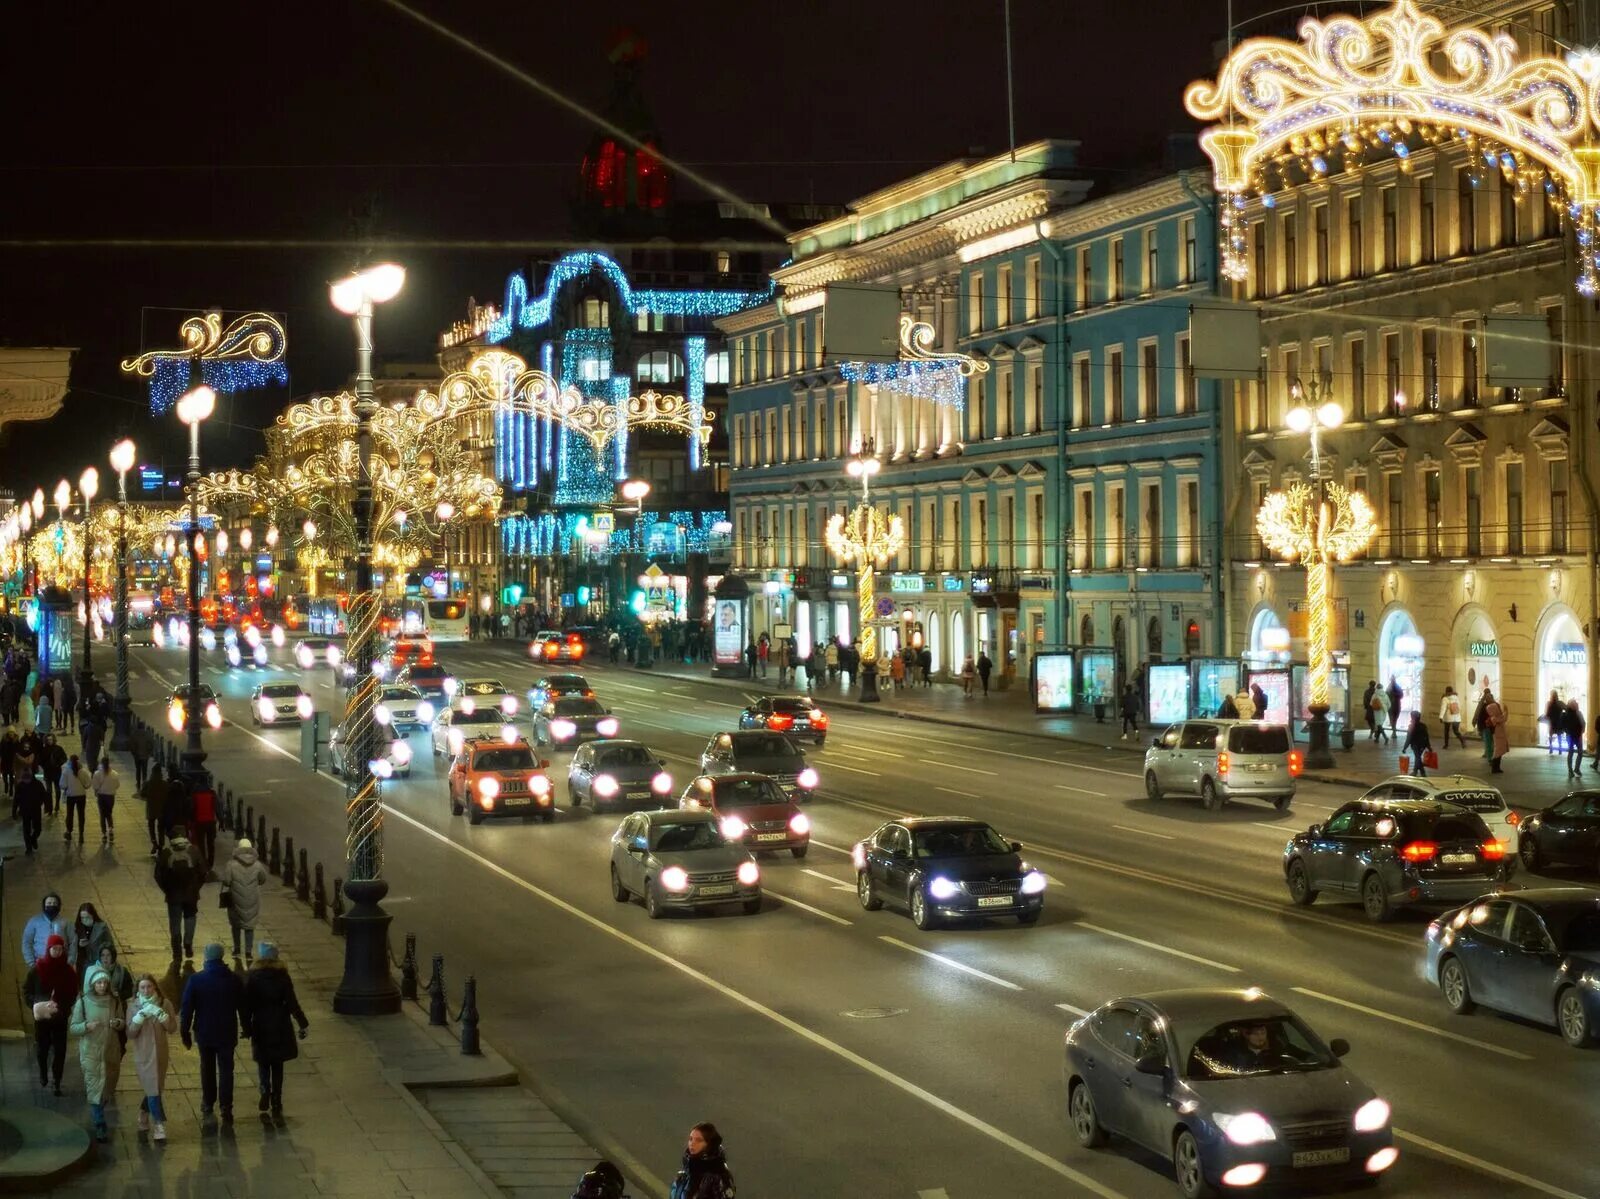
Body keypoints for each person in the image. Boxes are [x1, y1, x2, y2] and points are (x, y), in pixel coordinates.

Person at [241, 941, 309, 1120]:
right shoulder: (282, 976)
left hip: (260, 1024)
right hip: (280, 1024)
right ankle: (277, 1099)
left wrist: (246, 1028)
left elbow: (246, 1006)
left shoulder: (253, 976)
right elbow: (292, 1003)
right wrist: (303, 1022)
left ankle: (264, 1089)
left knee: (263, 1062)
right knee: (277, 1064)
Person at [180, 943, 244, 1130]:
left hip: (205, 1032)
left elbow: (187, 1008)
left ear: (206, 958)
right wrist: (247, 1027)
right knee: (226, 1070)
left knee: (207, 1068)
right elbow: (243, 1006)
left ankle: (208, 1101)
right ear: (222, 957)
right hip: (226, 1032)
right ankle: (226, 1106)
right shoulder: (233, 980)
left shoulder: (196, 980)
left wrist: (185, 1032)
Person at [68, 965, 124, 1142]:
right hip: (91, 1053)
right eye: (98, 982)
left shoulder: (114, 1002)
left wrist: (117, 1023)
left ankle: (98, 1112)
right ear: (92, 984)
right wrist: (86, 1026)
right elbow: (73, 1027)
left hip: (110, 1051)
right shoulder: (83, 1003)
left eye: (104, 982)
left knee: (107, 1088)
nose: (102, 985)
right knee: (94, 1089)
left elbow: (123, 1022)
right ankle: (100, 1124)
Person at [25, 934, 77, 1094]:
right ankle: (42, 1072)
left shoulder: (68, 971)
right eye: (54, 949)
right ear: (48, 949)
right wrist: (36, 1004)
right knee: (42, 1049)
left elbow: (73, 992)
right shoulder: (37, 970)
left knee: (60, 1050)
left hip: (60, 1017)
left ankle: (57, 1080)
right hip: (42, 1019)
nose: (57, 952)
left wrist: (62, 1007)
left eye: (60, 949)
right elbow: (27, 990)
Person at [126, 974, 175, 1142]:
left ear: (155, 987)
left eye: (149, 987)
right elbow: (130, 1033)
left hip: (161, 1055)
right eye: (142, 987)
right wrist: (138, 1018)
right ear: (137, 989)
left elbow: (172, 1028)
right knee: (154, 1090)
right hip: (144, 1055)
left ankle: (143, 1113)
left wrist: (163, 1017)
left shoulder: (165, 1004)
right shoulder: (132, 1006)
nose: (146, 990)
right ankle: (159, 1124)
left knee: (155, 1088)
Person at [156, 824, 205, 958]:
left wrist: (166, 889)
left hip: (173, 895)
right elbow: (203, 872)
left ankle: (176, 949)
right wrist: (196, 887)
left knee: (175, 921)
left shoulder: (167, 852)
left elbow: (158, 875)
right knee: (190, 918)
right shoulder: (194, 851)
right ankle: (188, 944)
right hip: (191, 895)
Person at [221, 837, 267, 961]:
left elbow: (226, 881)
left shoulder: (231, 864)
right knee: (249, 925)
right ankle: (248, 952)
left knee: (236, 924)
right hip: (252, 899)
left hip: (236, 899)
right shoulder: (257, 865)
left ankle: (237, 950)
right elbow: (263, 879)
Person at [670, 1122, 735, 1199]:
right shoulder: (686, 1172)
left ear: (709, 1144)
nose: (692, 1144)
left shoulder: (719, 1176)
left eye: (699, 1140)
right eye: (691, 1139)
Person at [90, 945, 136, 1055]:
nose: (105, 958)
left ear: (113, 956)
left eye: (108, 955)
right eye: (103, 955)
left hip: (117, 1010)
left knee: (119, 1042)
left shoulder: (122, 972)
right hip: (99, 1010)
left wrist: (118, 994)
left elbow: (130, 990)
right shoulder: (92, 971)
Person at [21, 891, 69, 970]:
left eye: (54, 903)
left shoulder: (66, 922)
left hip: (60, 965)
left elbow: (72, 943)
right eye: (49, 903)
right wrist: (31, 963)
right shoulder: (34, 921)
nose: (52, 905)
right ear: (44, 905)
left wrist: (70, 961)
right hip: (39, 964)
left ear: (59, 905)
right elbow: (26, 942)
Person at [68, 903, 112, 975]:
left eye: (87, 917)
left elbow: (109, 944)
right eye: (82, 917)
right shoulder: (77, 927)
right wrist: (79, 945)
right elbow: (72, 946)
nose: (85, 920)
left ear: (93, 915)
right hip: (82, 964)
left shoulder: (102, 927)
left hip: (97, 962)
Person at [13, 763, 46, 854]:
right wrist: (14, 811)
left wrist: (42, 803)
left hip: (35, 809)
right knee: (26, 829)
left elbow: (44, 795)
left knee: (37, 828)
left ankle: (33, 839)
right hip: (25, 810)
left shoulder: (37, 784)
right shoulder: (20, 786)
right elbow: (16, 800)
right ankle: (29, 847)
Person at [60, 751, 90, 846]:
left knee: (70, 814)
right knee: (81, 815)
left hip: (71, 795)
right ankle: (81, 834)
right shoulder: (83, 771)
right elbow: (88, 783)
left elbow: (62, 784)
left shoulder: (66, 771)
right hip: (81, 795)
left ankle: (69, 831)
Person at [90, 755, 120, 846]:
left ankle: (104, 834)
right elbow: (117, 785)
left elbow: (94, 786)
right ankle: (110, 828)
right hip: (111, 797)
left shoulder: (97, 774)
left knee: (102, 815)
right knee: (109, 813)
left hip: (102, 796)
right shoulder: (115, 774)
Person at [141, 762, 168, 856]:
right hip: (161, 810)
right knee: (161, 828)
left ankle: (154, 843)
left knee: (151, 827)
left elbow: (142, 794)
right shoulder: (165, 784)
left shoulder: (148, 783)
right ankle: (161, 845)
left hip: (151, 809)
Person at [191, 782, 217, 870]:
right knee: (211, 843)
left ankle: (203, 861)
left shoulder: (195, 795)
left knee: (201, 843)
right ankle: (210, 862)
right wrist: (221, 820)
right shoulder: (212, 794)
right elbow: (216, 807)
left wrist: (192, 821)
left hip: (199, 822)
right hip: (210, 822)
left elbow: (193, 809)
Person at [1484, 691, 1509, 774]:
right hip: (1498, 734)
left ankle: (1497, 767)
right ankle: (1495, 768)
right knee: (1498, 751)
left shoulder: (1494, 715)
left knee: (1499, 751)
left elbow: (1503, 718)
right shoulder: (1494, 717)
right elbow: (1503, 718)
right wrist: (1506, 711)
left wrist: (1505, 712)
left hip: (1499, 733)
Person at [1402, 711, 1433, 778]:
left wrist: (1405, 747)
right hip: (1422, 745)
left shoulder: (1411, 726)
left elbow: (1408, 738)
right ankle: (1419, 772)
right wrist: (1429, 746)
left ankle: (1419, 772)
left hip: (1415, 745)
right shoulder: (1423, 726)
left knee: (1417, 758)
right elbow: (1426, 737)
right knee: (1418, 758)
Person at [1564, 698, 1587, 779]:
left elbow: (1583, 723)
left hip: (1577, 736)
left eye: (1576, 704)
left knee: (1580, 752)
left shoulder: (1579, 713)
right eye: (1574, 704)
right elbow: (1565, 725)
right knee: (1571, 753)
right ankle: (1570, 771)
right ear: (1570, 705)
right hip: (1570, 736)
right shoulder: (1567, 714)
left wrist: (1582, 732)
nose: (1576, 705)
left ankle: (1576, 768)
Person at [131, 722, 155, 789]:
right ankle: (144, 784)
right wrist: (149, 752)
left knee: (138, 770)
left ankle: (138, 784)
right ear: (143, 727)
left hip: (137, 756)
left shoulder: (134, 734)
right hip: (145, 756)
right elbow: (152, 743)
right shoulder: (148, 734)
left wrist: (134, 753)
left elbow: (131, 745)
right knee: (144, 770)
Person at [1545, 689, 1566, 756]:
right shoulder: (1560, 703)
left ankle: (1551, 748)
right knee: (1559, 735)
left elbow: (1546, 713)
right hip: (1558, 721)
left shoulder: (1549, 703)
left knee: (1551, 735)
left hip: (1552, 722)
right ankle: (1560, 749)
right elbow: (1566, 709)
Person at [0, 723, 17, 796]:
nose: (11, 733)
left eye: (12, 732)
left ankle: (10, 791)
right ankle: (6, 787)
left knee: (11, 778)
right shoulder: (4, 740)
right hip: (4, 762)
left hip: (12, 762)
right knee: (4, 777)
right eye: (10, 732)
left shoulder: (16, 741)